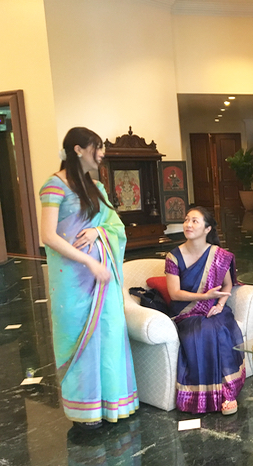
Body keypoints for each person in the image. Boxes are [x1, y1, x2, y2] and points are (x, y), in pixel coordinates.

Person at [39, 127, 138, 430]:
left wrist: (98, 231)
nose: (102, 153)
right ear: (78, 149)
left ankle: (112, 402)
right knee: (78, 336)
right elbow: (48, 236)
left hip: (102, 280)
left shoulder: (96, 187)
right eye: (98, 147)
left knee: (108, 332)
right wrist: (89, 262)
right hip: (72, 280)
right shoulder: (54, 186)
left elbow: (115, 225)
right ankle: (86, 410)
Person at [165, 207, 245, 415]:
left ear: (207, 229)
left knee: (221, 328)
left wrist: (219, 305)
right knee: (203, 331)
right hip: (187, 312)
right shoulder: (173, 257)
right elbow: (174, 294)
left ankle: (228, 393)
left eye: (195, 221)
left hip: (214, 309)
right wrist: (205, 297)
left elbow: (227, 285)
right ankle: (204, 398)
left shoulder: (219, 255)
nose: (188, 224)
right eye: (186, 220)